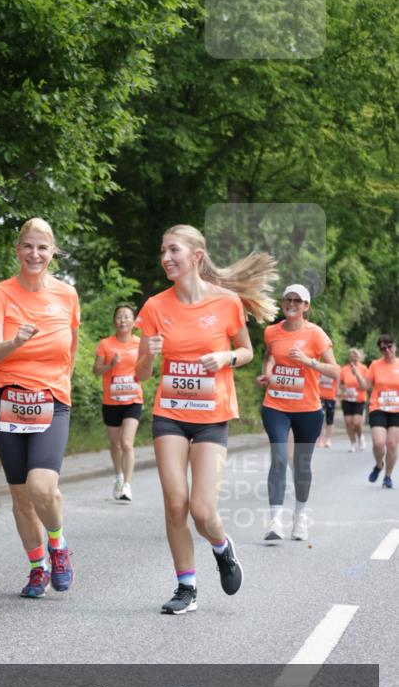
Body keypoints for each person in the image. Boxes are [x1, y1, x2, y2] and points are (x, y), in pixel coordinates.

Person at [135, 224, 277, 615]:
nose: (166, 258)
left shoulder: (227, 302)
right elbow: (141, 375)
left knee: (202, 510)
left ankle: (222, 548)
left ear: (196, 256)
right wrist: (148, 351)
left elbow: (247, 351)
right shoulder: (154, 307)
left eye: (173, 250)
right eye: (162, 251)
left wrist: (226, 358)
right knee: (175, 504)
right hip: (170, 414)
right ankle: (186, 587)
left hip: (212, 416)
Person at [0, 218, 79, 599]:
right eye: (28, 246)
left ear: (52, 251)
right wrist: (15, 342)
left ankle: (58, 545)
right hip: (8, 400)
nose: (35, 254)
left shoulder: (67, 295)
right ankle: (37, 566)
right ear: (18, 250)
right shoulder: (1, 293)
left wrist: (58, 387)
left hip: (51, 400)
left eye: (42, 247)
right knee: (21, 496)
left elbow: (70, 349)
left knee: (42, 487)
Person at [257, 284, 339, 543]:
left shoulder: (315, 335)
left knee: (302, 465)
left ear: (306, 306)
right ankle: (275, 521)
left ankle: (300, 517)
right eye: (288, 299)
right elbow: (270, 357)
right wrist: (268, 373)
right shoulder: (272, 331)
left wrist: (308, 361)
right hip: (276, 405)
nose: (292, 304)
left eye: (298, 300)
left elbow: (335, 371)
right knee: (279, 458)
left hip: (308, 409)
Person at [93, 304, 143, 502]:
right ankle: (118, 476)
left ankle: (127, 486)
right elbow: (96, 371)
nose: (123, 320)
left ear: (134, 321)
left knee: (127, 443)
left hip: (133, 399)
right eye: (119, 317)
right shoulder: (105, 344)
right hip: (111, 401)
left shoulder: (140, 343)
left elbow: (147, 369)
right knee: (115, 445)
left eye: (127, 317)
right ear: (115, 321)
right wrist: (110, 364)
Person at [365, 335, 399, 489]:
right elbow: (366, 385)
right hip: (378, 407)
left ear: (395, 346)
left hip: (396, 410)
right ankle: (379, 465)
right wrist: (358, 376)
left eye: (389, 346)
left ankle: (388, 476)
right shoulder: (375, 365)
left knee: (391, 444)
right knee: (379, 443)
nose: (387, 350)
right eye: (383, 348)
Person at [340, 348, 368, 453]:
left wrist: (357, 373)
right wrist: (343, 388)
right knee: (348, 422)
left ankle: (360, 437)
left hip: (359, 398)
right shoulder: (344, 369)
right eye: (351, 356)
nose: (353, 358)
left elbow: (366, 384)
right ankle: (353, 443)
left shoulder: (364, 368)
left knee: (356, 422)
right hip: (347, 398)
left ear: (358, 357)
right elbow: (341, 382)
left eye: (355, 356)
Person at [316, 368, 338, 448]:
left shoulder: (335, 367)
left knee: (330, 419)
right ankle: (320, 439)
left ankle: (328, 439)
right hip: (320, 396)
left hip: (331, 397)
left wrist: (337, 395)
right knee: (320, 419)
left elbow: (338, 381)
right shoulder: (320, 366)